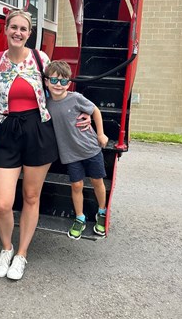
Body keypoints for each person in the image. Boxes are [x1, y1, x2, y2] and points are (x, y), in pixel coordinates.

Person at [0, 10, 90, 280]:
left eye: (23, 29)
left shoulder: (41, 59)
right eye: (13, 27)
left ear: (30, 33)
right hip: (7, 130)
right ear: (5, 30)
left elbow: (59, 88)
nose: (18, 32)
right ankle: (6, 248)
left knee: (31, 196)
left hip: (38, 130)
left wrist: (84, 111)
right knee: (3, 203)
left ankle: (22, 254)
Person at [44, 60, 109, 240]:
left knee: (97, 181)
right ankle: (80, 218)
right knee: (76, 185)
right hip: (70, 154)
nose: (59, 85)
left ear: (69, 83)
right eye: (55, 81)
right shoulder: (46, 104)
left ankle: (102, 212)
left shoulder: (76, 98)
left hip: (90, 148)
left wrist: (101, 134)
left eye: (64, 81)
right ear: (47, 81)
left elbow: (95, 110)